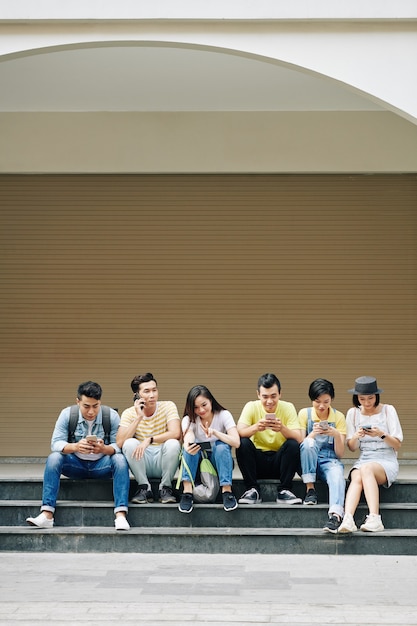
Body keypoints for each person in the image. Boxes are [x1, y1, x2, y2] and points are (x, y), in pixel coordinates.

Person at [26, 381, 131, 530]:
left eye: (95, 406)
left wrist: (104, 449)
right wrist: (75, 447)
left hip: (102, 466)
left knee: (120, 460)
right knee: (54, 458)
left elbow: (119, 446)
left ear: (100, 402)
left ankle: (120, 515)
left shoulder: (111, 416)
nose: (91, 412)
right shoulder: (67, 414)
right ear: (78, 402)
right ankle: (47, 515)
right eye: (86, 406)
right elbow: (55, 444)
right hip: (75, 465)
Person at [338, 376, 403, 533]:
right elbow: (352, 448)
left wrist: (381, 434)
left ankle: (375, 518)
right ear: (356, 398)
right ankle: (348, 519)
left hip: (386, 460)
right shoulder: (353, 413)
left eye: (370, 398)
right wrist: (356, 436)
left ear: (376, 396)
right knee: (357, 476)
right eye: (362, 399)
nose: (367, 403)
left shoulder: (388, 410)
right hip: (365, 458)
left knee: (365, 469)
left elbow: (397, 444)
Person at [236, 373, 303, 505]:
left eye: (273, 396)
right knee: (242, 443)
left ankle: (285, 490)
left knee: (293, 444)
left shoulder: (288, 407)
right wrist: (255, 428)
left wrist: (282, 428)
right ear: (258, 395)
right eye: (265, 397)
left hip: (280, 463)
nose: (269, 401)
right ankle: (252, 489)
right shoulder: (251, 406)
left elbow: (299, 437)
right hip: (258, 463)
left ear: (280, 394)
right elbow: (238, 432)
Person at [117, 372, 181, 504]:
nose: (152, 395)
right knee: (129, 443)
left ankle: (166, 488)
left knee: (173, 443)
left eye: (154, 390)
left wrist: (149, 439)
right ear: (137, 395)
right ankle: (144, 487)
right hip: (142, 461)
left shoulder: (168, 406)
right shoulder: (129, 413)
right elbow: (120, 442)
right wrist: (138, 417)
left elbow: (176, 433)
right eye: (146, 391)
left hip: (163, 459)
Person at [178, 385, 240, 514]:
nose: (200, 410)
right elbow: (188, 434)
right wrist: (188, 444)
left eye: (204, 404)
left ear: (211, 400)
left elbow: (236, 442)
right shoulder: (188, 419)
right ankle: (187, 492)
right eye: (195, 407)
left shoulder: (223, 415)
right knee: (190, 447)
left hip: (217, 462)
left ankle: (227, 491)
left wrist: (216, 433)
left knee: (222, 446)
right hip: (197, 462)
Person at [299, 378, 346, 533]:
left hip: (330, 459)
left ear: (331, 399)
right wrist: (313, 433)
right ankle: (310, 489)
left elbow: (339, 454)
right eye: (317, 401)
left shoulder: (338, 417)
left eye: (326, 401)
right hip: (308, 461)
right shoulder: (304, 414)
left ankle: (335, 516)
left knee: (338, 475)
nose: (321, 406)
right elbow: (301, 444)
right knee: (308, 443)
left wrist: (337, 435)